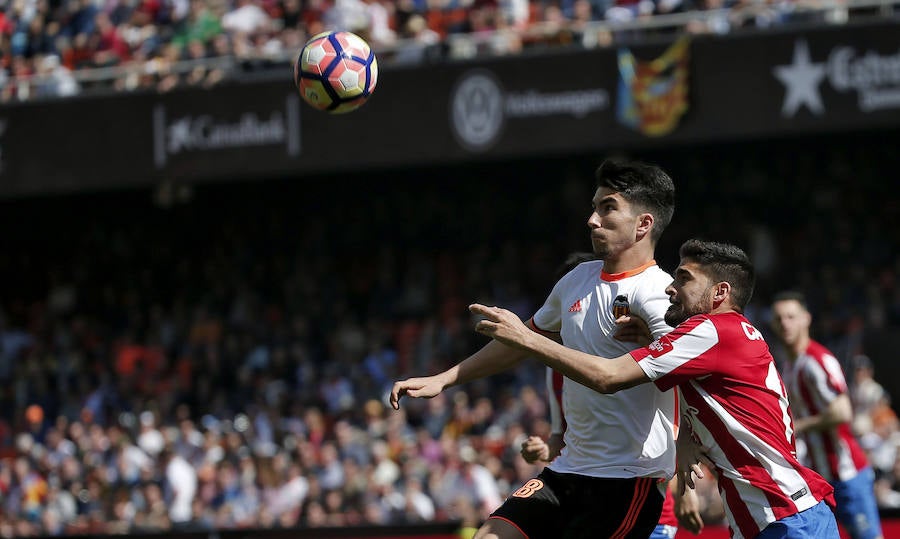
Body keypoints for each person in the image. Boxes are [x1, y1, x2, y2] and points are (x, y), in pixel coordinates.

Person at [459, 239, 839, 539]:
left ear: (720, 292)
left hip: (785, 517)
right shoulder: (731, 334)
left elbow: (608, 377)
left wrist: (526, 338)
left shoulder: (711, 331)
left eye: (685, 279)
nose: (671, 288)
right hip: (775, 513)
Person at [392, 159, 679, 538]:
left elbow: (639, 379)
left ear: (643, 224)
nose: (592, 220)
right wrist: (443, 379)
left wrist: (691, 462)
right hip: (566, 470)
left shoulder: (660, 295)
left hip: (627, 480)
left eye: (607, 208)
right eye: (594, 207)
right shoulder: (576, 280)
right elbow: (517, 345)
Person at [771, 291, 884, 539]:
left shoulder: (817, 360)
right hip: (821, 478)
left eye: (791, 317)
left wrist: (799, 426)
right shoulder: (788, 366)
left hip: (847, 474)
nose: (785, 324)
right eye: (779, 319)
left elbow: (843, 412)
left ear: (806, 319)